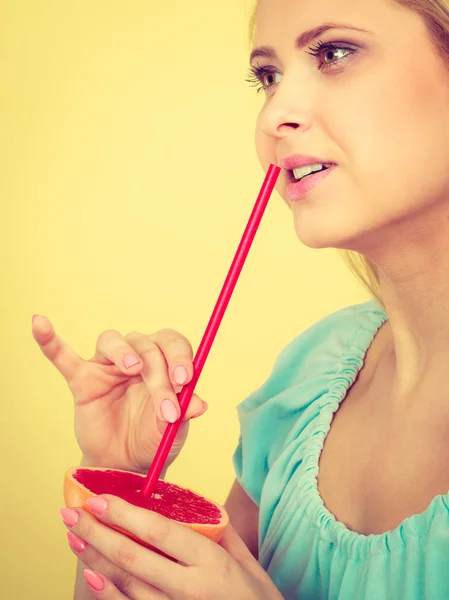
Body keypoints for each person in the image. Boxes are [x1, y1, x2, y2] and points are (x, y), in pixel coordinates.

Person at [32, 0, 449, 597]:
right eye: (268, 77)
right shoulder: (309, 381)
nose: (274, 112)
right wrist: (124, 486)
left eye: (334, 53)